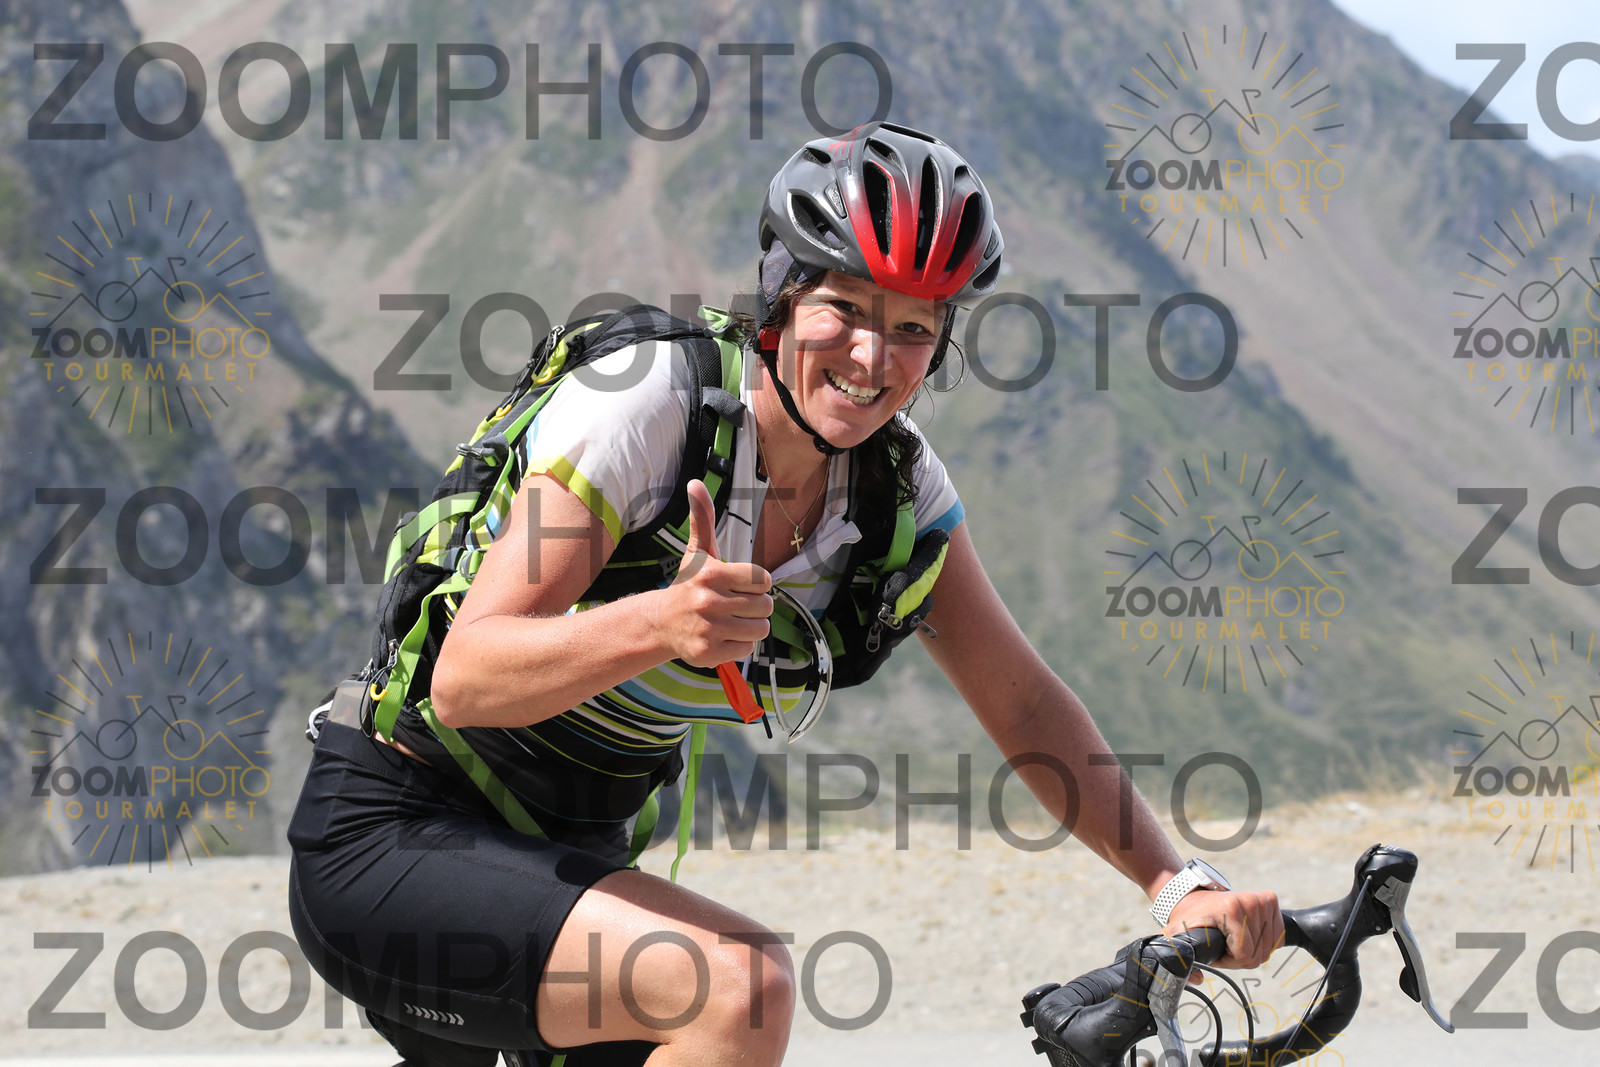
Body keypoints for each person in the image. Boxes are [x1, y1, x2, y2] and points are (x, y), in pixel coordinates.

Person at [287, 121, 1283, 1067]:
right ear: (779, 298)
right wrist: (658, 621)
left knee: (732, 1001)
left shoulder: (896, 497)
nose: (872, 358)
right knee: (738, 986)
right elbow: (466, 677)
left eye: (913, 327)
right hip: (400, 835)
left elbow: (1022, 701)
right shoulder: (647, 406)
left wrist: (1174, 882)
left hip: (567, 860)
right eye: (843, 308)